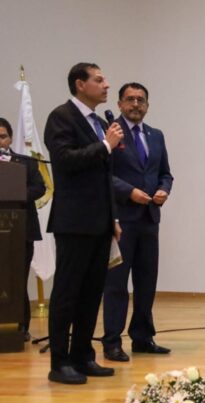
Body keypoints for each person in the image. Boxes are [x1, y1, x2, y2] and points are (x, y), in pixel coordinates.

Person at [43, 62, 124, 384]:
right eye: (99, 79)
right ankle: (59, 363)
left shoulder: (96, 122)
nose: (106, 85)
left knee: (92, 293)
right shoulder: (61, 117)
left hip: (100, 222)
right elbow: (64, 160)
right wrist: (106, 145)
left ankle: (83, 356)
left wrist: (113, 216)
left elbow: (104, 177)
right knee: (67, 293)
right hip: (73, 222)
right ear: (80, 84)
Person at [102, 83, 174, 362]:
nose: (136, 104)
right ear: (120, 104)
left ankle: (143, 337)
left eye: (141, 100)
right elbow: (104, 174)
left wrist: (164, 190)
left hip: (149, 219)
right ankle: (112, 342)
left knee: (146, 282)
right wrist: (129, 192)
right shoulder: (111, 132)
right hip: (121, 219)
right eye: (130, 99)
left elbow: (165, 173)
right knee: (117, 284)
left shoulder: (156, 136)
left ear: (147, 105)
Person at [0, 117, 46, 342]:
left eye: (2, 136)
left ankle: (21, 326)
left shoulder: (26, 162)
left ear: (10, 138)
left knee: (17, 278)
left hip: (21, 229)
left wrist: (18, 193)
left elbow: (39, 187)